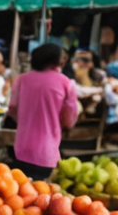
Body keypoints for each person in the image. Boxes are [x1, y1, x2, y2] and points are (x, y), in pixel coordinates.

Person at [7, 42, 80, 180]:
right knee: (41, 189)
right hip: (47, 150)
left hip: (21, 148)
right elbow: (69, 120)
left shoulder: (22, 80)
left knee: (21, 187)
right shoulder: (66, 83)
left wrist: (25, 121)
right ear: (57, 61)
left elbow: (12, 109)